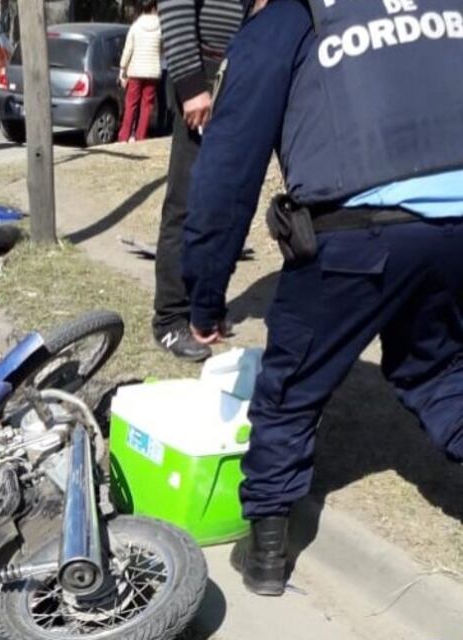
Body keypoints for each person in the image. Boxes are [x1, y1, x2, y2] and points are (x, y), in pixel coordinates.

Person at [181, 0, 463, 596]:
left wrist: (204, 298)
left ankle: (263, 557)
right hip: (456, 228)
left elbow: (229, 169)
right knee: (438, 368)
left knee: (289, 388)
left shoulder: (290, 17)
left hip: (356, 238)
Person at [151, 0, 246, 361]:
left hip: (238, 69)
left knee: (223, 202)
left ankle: (202, 310)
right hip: (204, 75)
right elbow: (174, 7)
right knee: (188, 202)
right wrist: (191, 86)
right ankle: (171, 318)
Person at [117, 0, 161, 143]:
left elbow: (128, 49)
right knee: (146, 106)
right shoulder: (161, 27)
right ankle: (140, 136)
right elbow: (163, 48)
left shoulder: (135, 27)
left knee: (131, 104)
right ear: (155, 7)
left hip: (135, 71)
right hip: (152, 72)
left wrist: (122, 68)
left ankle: (124, 136)